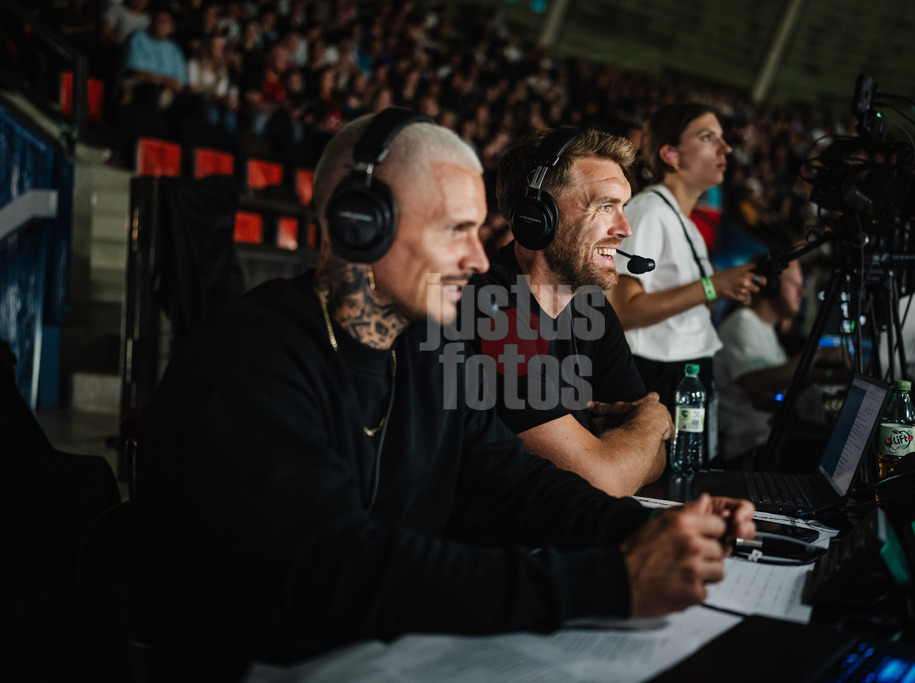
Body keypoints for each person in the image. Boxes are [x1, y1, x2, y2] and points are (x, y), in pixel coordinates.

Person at [123, 109, 755, 667]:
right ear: (359, 223)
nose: (480, 261)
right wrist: (612, 582)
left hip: (367, 650)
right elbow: (339, 570)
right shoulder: (252, 357)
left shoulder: (427, 348)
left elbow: (516, 483)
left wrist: (645, 532)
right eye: (456, 230)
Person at [466, 128, 671, 497]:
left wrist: (629, 443)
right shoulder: (490, 308)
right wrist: (652, 420)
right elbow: (600, 481)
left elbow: (657, 458)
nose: (625, 229)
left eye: (623, 208)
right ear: (536, 217)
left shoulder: (592, 308)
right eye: (606, 206)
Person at [607, 103, 765, 463]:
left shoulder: (685, 222)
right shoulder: (648, 210)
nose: (725, 149)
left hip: (686, 372)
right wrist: (711, 288)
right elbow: (624, 309)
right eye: (708, 137)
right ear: (671, 154)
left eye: (724, 139)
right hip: (658, 376)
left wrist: (713, 291)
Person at [716, 258, 842, 463]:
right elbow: (757, 383)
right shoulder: (742, 324)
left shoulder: (764, 328)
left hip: (767, 442)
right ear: (769, 284)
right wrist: (815, 355)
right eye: (794, 284)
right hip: (747, 450)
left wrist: (830, 375)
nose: (802, 293)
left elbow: (782, 379)